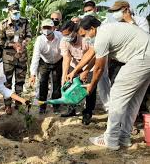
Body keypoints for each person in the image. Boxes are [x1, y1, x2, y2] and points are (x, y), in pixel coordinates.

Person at [70, 16, 150, 150]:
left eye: (84, 35)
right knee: (134, 100)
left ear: (92, 29)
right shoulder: (106, 30)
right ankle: (124, 137)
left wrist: (91, 85)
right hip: (146, 57)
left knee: (117, 94)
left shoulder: (102, 35)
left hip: (141, 58)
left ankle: (111, 139)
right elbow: (92, 53)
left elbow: (99, 68)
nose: (85, 38)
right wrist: (76, 71)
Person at [0, 2, 32, 115]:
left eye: (18, 12)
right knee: (7, 82)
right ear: (9, 11)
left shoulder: (25, 21)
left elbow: (29, 35)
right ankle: (7, 105)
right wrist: (12, 45)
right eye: (14, 12)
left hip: (21, 57)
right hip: (8, 58)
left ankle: (18, 103)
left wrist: (24, 43)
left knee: (20, 82)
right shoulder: (3, 24)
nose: (16, 14)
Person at [59, 21, 96, 125]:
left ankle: (87, 113)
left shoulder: (85, 38)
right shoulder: (64, 41)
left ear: (74, 32)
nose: (65, 37)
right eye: (63, 35)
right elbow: (66, 58)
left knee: (89, 89)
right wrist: (64, 76)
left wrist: (86, 71)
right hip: (74, 64)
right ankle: (71, 109)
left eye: (67, 35)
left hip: (90, 64)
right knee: (70, 85)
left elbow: (93, 55)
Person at [29, 19, 62, 114]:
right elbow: (35, 57)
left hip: (58, 61)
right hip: (45, 62)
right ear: (41, 28)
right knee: (43, 84)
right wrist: (32, 74)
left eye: (49, 27)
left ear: (54, 28)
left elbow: (65, 52)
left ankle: (56, 106)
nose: (46, 30)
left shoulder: (60, 36)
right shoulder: (39, 40)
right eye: (44, 28)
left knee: (56, 85)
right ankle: (42, 107)